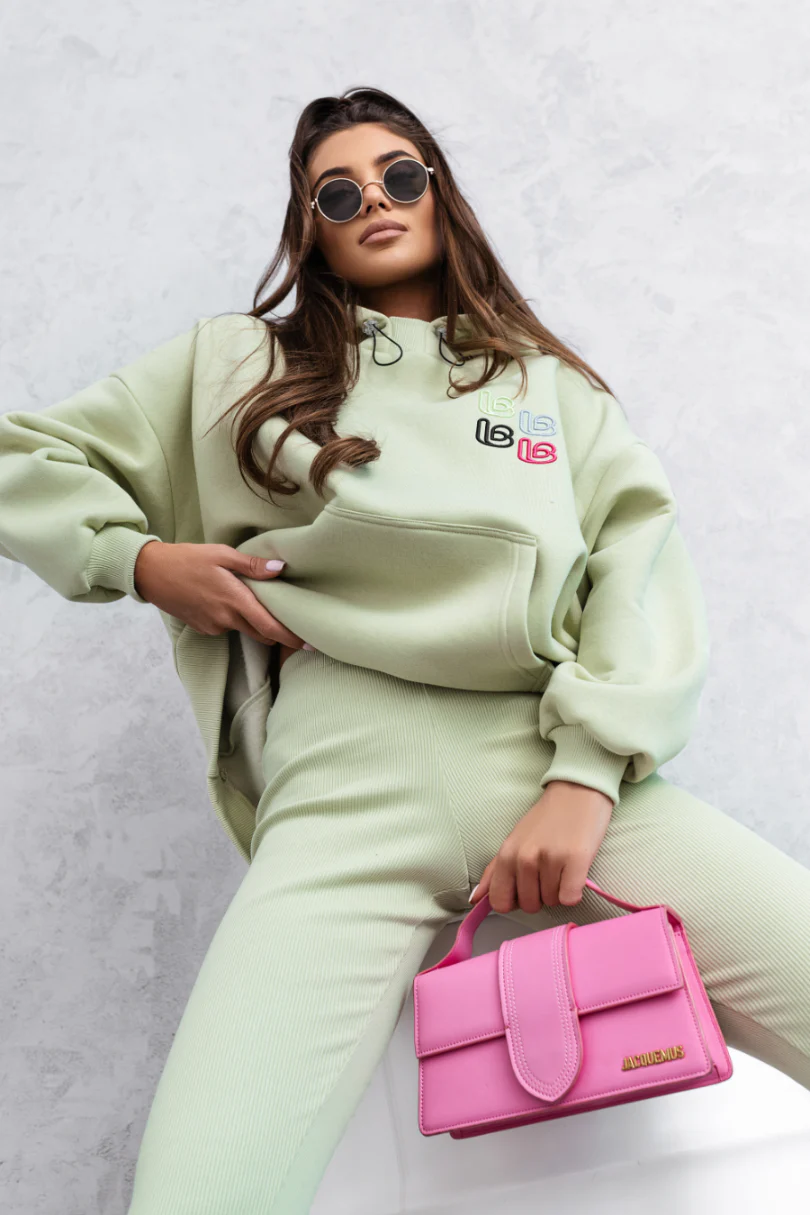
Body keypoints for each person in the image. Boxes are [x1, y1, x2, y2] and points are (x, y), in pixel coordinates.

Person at [1, 85, 809, 1214]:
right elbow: (20, 456)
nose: (374, 201)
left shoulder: (549, 388)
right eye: (338, 193)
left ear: (440, 194)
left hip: (546, 760)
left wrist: (586, 777)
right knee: (198, 1188)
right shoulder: (236, 363)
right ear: (311, 228)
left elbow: (637, 572)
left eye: (399, 176)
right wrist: (138, 560)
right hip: (342, 791)